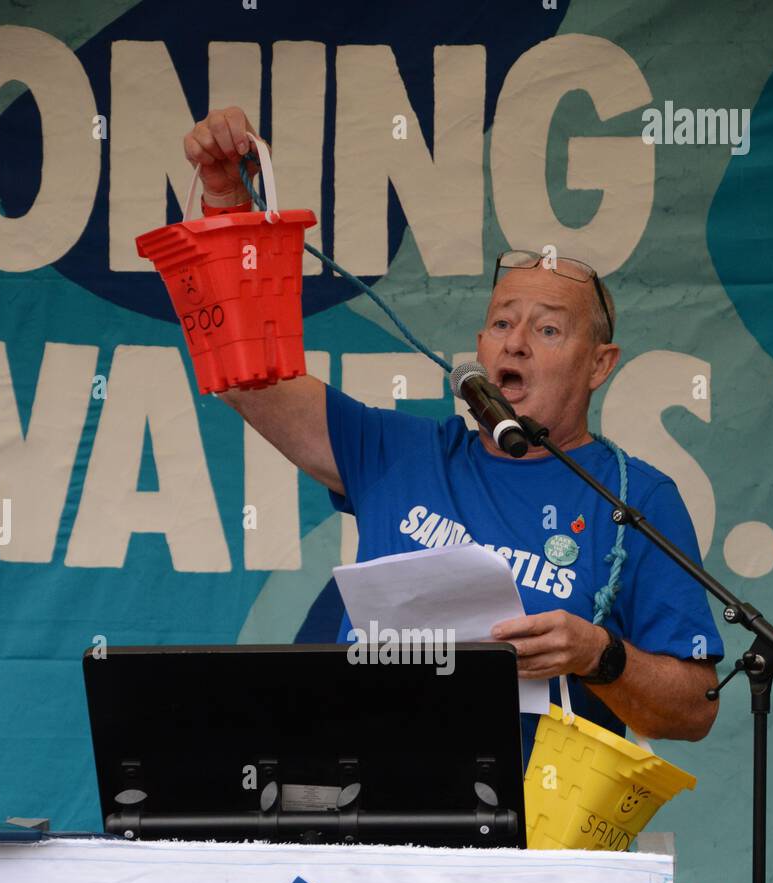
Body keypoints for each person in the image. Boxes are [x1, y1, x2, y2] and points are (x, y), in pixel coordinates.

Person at [184, 107, 724, 752]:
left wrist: (598, 655)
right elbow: (249, 377)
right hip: (368, 809)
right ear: (479, 347)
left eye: (548, 329)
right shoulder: (398, 452)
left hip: (530, 834)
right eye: (501, 324)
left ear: (599, 366)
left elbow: (693, 712)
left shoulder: (635, 499)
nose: (516, 344)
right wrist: (226, 202)